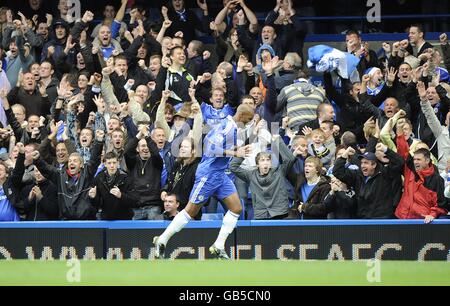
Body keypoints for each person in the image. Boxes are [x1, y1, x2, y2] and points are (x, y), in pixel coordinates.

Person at [153, 104, 255, 259]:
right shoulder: (228, 127)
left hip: (219, 175)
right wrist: (235, 152)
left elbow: (214, 142)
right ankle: (162, 240)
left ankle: (218, 245)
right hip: (208, 174)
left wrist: (235, 147)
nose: (247, 124)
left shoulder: (229, 126)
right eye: (247, 121)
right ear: (241, 116)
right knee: (190, 211)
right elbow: (210, 149)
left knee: (236, 208)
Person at [32, 130, 105, 220]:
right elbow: (47, 170)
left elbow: (94, 160)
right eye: (70, 161)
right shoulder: (60, 176)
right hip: (66, 222)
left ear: (81, 165)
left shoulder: (87, 173)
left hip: (85, 222)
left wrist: (99, 141)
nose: (71, 163)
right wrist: (37, 159)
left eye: (75, 161)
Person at [230, 136, 295, 220]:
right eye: (262, 160)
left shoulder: (279, 172)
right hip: (261, 214)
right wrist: (242, 154)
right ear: (257, 164)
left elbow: (290, 159)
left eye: (268, 160)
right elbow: (233, 167)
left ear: (271, 163)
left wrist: (278, 141)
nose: (266, 163)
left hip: (280, 213)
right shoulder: (251, 175)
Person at [333, 144, 404, 219]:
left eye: (366, 163)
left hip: (381, 220)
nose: (362, 165)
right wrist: (344, 156)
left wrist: (387, 150)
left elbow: (400, 162)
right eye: (362, 163)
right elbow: (337, 171)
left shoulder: (385, 174)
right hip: (363, 220)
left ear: (374, 165)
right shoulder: (357, 175)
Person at [89, 151, 136, 221]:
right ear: (104, 164)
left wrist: (121, 195)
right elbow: (96, 204)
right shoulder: (98, 179)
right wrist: (93, 197)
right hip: (105, 219)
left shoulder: (126, 178)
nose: (112, 166)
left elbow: (134, 201)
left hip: (124, 219)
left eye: (114, 163)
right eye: (109, 163)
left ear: (118, 163)